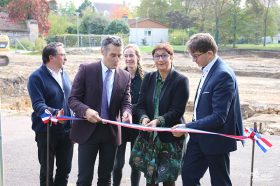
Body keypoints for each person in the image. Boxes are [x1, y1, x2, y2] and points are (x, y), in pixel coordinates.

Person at [172, 33, 244, 186]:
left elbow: (219, 117)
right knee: (188, 175)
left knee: (220, 181)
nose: (193, 60)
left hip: (216, 138)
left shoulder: (223, 75)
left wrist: (186, 127)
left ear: (209, 53)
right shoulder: (208, 68)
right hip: (199, 137)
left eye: (196, 56)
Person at [68, 35, 132, 186]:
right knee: (84, 179)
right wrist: (86, 111)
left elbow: (126, 101)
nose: (117, 60)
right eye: (113, 55)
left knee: (105, 179)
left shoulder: (125, 75)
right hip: (88, 132)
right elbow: (73, 99)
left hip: (110, 134)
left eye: (119, 56)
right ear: (102, 51)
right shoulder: (86, 70)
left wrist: (127, 111)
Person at [131, 43, 189, 186]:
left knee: (167, 178)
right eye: (157, 56)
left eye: (164, 55)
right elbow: (140, 105)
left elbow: (177, 111)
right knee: (150, 178)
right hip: (150, 138)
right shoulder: (149, 78)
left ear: (172, 57)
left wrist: (157, 121)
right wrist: (144, 118)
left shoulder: (180, 80)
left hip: (170, 137)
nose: (161, 60)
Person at [27, 42, 73, 186]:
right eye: (62, 55)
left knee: (65, 169)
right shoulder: (36, 77)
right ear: (51, 57)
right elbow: (38, 105)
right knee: (47, 173)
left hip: (67, 131)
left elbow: (71, 99)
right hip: (46, 132)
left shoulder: (65, 74)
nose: (65, 58)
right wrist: (55, 113)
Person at [112, 44, 144, 186]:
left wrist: (130, 109)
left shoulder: (147, 78)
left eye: (131, 55)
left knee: (135, 164)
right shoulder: (118, 75)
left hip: (138, 126)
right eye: (126, 56)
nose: (128, 58)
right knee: (118, 163)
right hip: (121, 125)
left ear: (138, 57)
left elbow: (146, 103)